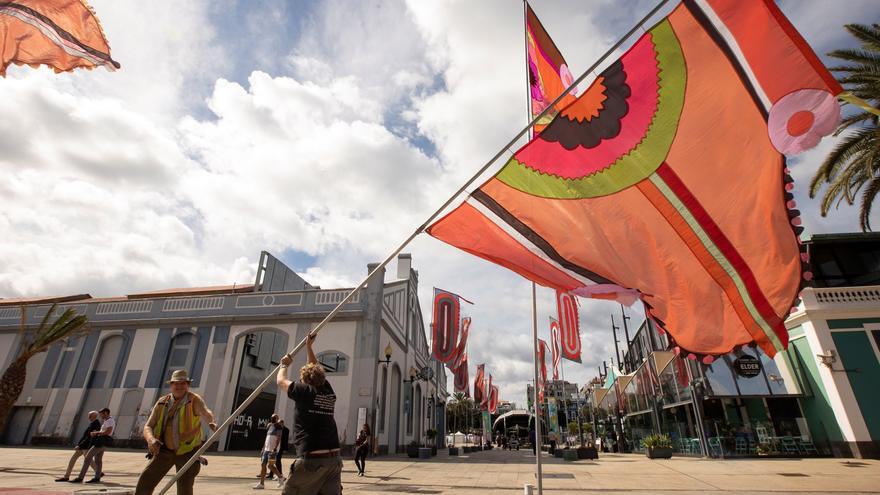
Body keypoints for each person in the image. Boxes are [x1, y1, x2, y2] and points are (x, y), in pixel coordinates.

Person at [276, 333, 341, 495]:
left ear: (304, 380)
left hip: (312, 460)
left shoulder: (303, 390)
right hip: (334, 461)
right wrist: (309, 347)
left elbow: (281, 381)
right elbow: (316, 368)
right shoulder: (328, 393)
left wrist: (283, 365)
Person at [135, 369, 217, 495]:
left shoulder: (194, 400)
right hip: (164, 451)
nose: (179, 386)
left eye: (183, 383)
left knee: (185, 489)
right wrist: (151, 440)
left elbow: (206, 412)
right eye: (176, 383)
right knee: (144, 483)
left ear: (188, 385)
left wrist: (211, 422)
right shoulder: (162, 402)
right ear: (171, 385)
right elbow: (148, 426)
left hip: (187, 452)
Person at [70, 407, 114, 483]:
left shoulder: (109, 421)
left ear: (106, 413)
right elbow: (106, 431)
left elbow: (108, 432)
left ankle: (80, 477)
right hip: (104, 442)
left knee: (87, 458)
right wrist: (98, 432)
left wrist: (96, 433)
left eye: (101, 414)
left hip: (101, 441)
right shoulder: (108, 420)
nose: (100, 416)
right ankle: (97, 477)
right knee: (98, 461)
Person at [55, 411, 101, 482]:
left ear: (94, 416)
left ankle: (98, 473)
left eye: (90, 416)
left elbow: (88, 437)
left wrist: (80, 445)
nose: (88, 417)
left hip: (86, 446)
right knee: (74, 460)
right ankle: (66, 476)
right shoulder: (93, 423)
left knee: (88, 461)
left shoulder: (96, 424)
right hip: (84, 446)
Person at [254, 414, 286, 489]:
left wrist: (275, 448)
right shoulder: (269, 426)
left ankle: (280, 477)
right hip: (266, 449)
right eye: (272, 417)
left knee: (270, 466)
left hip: (272, 450)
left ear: (277, 418)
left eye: (274, 417)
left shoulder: (279, 427)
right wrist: (263, 448)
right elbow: (267, 438)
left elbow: (278, 438)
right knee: (263, 464)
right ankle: (261, 484)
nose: (273, 418)